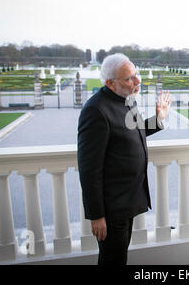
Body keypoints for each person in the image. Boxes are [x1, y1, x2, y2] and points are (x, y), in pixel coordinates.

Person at [77, 53, 171, 265]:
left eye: (135, 74)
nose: (137, 81)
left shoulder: (127, 99)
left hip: (127, 199)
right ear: (110, 83)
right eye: (129, 78)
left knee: (119, 257)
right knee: (113, 260)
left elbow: (133, 132)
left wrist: (158, 119)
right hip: (111, 207)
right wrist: (96, 215)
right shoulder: (95, 110)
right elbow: (89, 169)